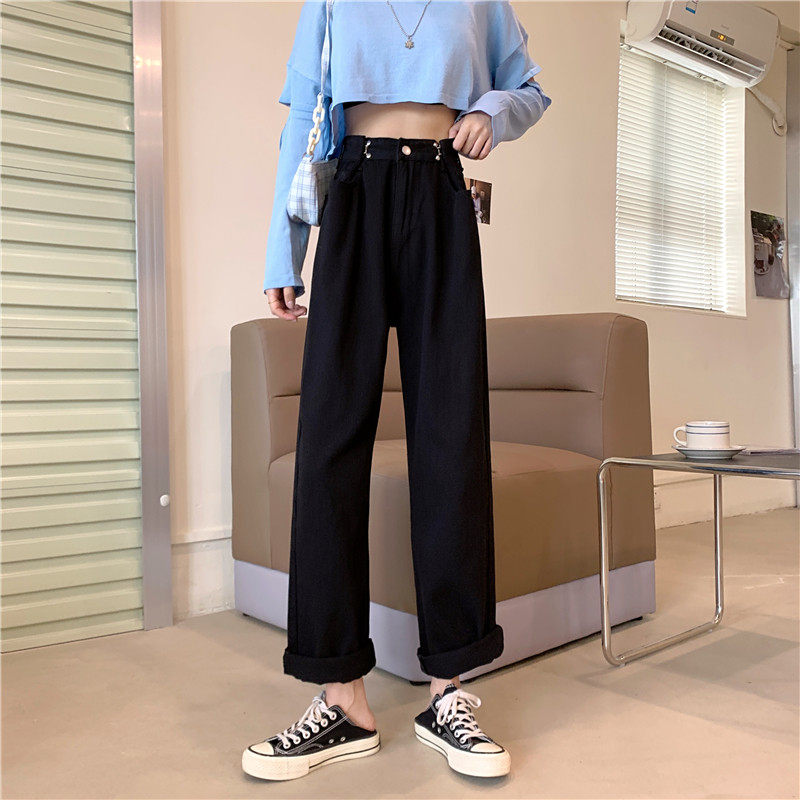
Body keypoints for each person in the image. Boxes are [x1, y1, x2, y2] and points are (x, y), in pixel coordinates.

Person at [243, 0, 551, 782]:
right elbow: (306, 116)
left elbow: (528, 89)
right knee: (328, 443)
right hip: (352, 191)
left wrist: (489, 112)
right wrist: (284, 250)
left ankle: (448, 689)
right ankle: (341, 698)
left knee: (451, 435)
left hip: (441, 195)